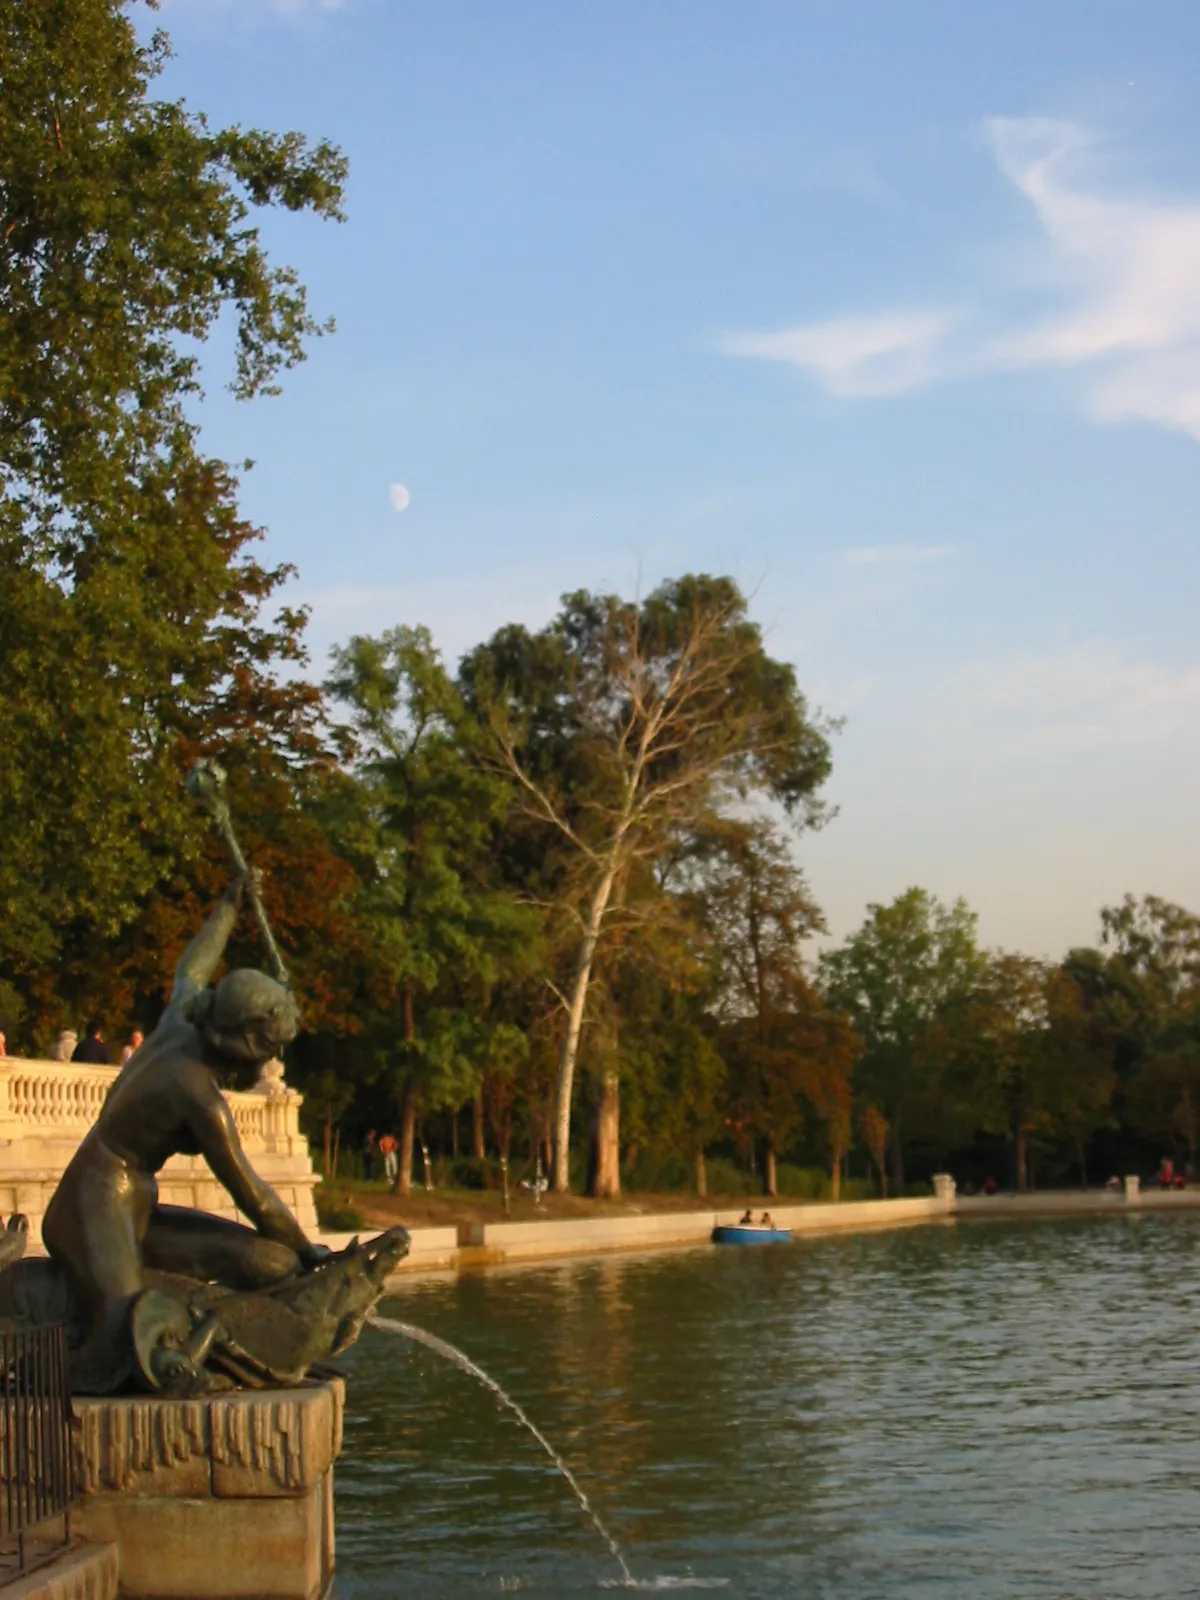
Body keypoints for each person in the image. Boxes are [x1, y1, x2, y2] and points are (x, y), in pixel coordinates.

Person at [42, 869, 325, 1393]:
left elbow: (194, 963)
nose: (271, 1058)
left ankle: (238, 1343)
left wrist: (229, 905)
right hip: (95, 1197)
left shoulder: (182, 1016)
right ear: (242, 1041)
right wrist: (313, 1253)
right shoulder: (198, 1094)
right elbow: (254, 1196)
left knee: (270, 1262)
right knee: (126, 1332)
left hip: (135, 1199)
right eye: (268, 1046)